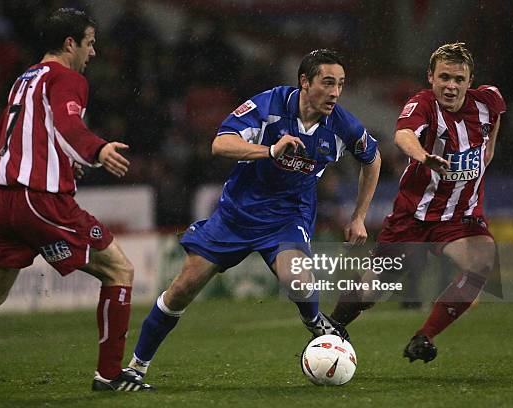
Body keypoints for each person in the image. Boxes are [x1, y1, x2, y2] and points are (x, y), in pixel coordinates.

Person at [0, 8, 151, 392]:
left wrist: (61, 161)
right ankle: (110, 376)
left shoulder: (24, 78)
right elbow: (67, 124)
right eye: (90, 43)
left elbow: (1, 139)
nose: (93, 53)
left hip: (5, 200)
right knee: (119, 271)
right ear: (70, 43)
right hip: (41, 200)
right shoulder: (67, 77)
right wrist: (98, 149)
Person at [125, 49, 382, 381]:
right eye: (327, 82)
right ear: (304, 82)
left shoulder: (344, 126)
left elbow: (372, 161)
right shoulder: (270, 105)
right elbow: (221, 144)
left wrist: (359, 216)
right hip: (236, 215)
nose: (335, 92)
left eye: (341, 84)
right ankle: (135, 369)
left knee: (298, 280)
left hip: (288, 216)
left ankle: (314, 320)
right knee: (181, 289)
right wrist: (270, 151)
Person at [330, 42, 506, 363]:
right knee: (372, 290)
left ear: (470, 80)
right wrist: (424, 157)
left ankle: (423, 337)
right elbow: (403, 135)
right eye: (444, 77)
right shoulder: (422, 104)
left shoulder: (490, 101)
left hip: (461, 217)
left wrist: (477, 167)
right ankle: (329, 332)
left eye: (458, 78)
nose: (450, 86)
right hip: (413, 216)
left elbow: (489, 143)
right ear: (431, 77)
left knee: (482, 261)